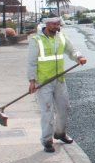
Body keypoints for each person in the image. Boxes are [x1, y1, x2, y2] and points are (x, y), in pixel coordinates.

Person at [28, 17, 87, 153]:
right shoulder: (36, 40)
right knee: (47, 112)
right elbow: (31, 62)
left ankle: (60, 133)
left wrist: (79, 57)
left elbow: (72, 50)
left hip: (59, 80)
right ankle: (47, 140)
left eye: (58, 24)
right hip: (43, 82)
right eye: (54, 24)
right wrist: (32, 81)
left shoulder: (61, 37)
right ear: (47, 24)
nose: (57, 27)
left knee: (64, 108)